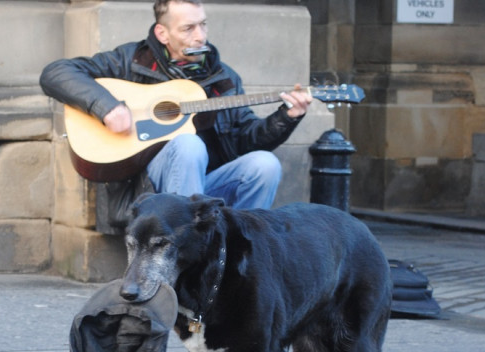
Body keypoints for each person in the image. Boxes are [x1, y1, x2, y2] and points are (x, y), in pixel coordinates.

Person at [40, 0, 312, 212]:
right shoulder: (130, 60)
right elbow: (56, 73)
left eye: (203, 25)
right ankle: (187, 252)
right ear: (163, 33)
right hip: (147, 188)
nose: (200, 36)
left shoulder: (223, 77)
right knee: (188, 144)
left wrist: (287, 117)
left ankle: (234, 255)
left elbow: (245, 140)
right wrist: (106, 107)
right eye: (188, 28)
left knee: (265, 165)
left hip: (207, 184)